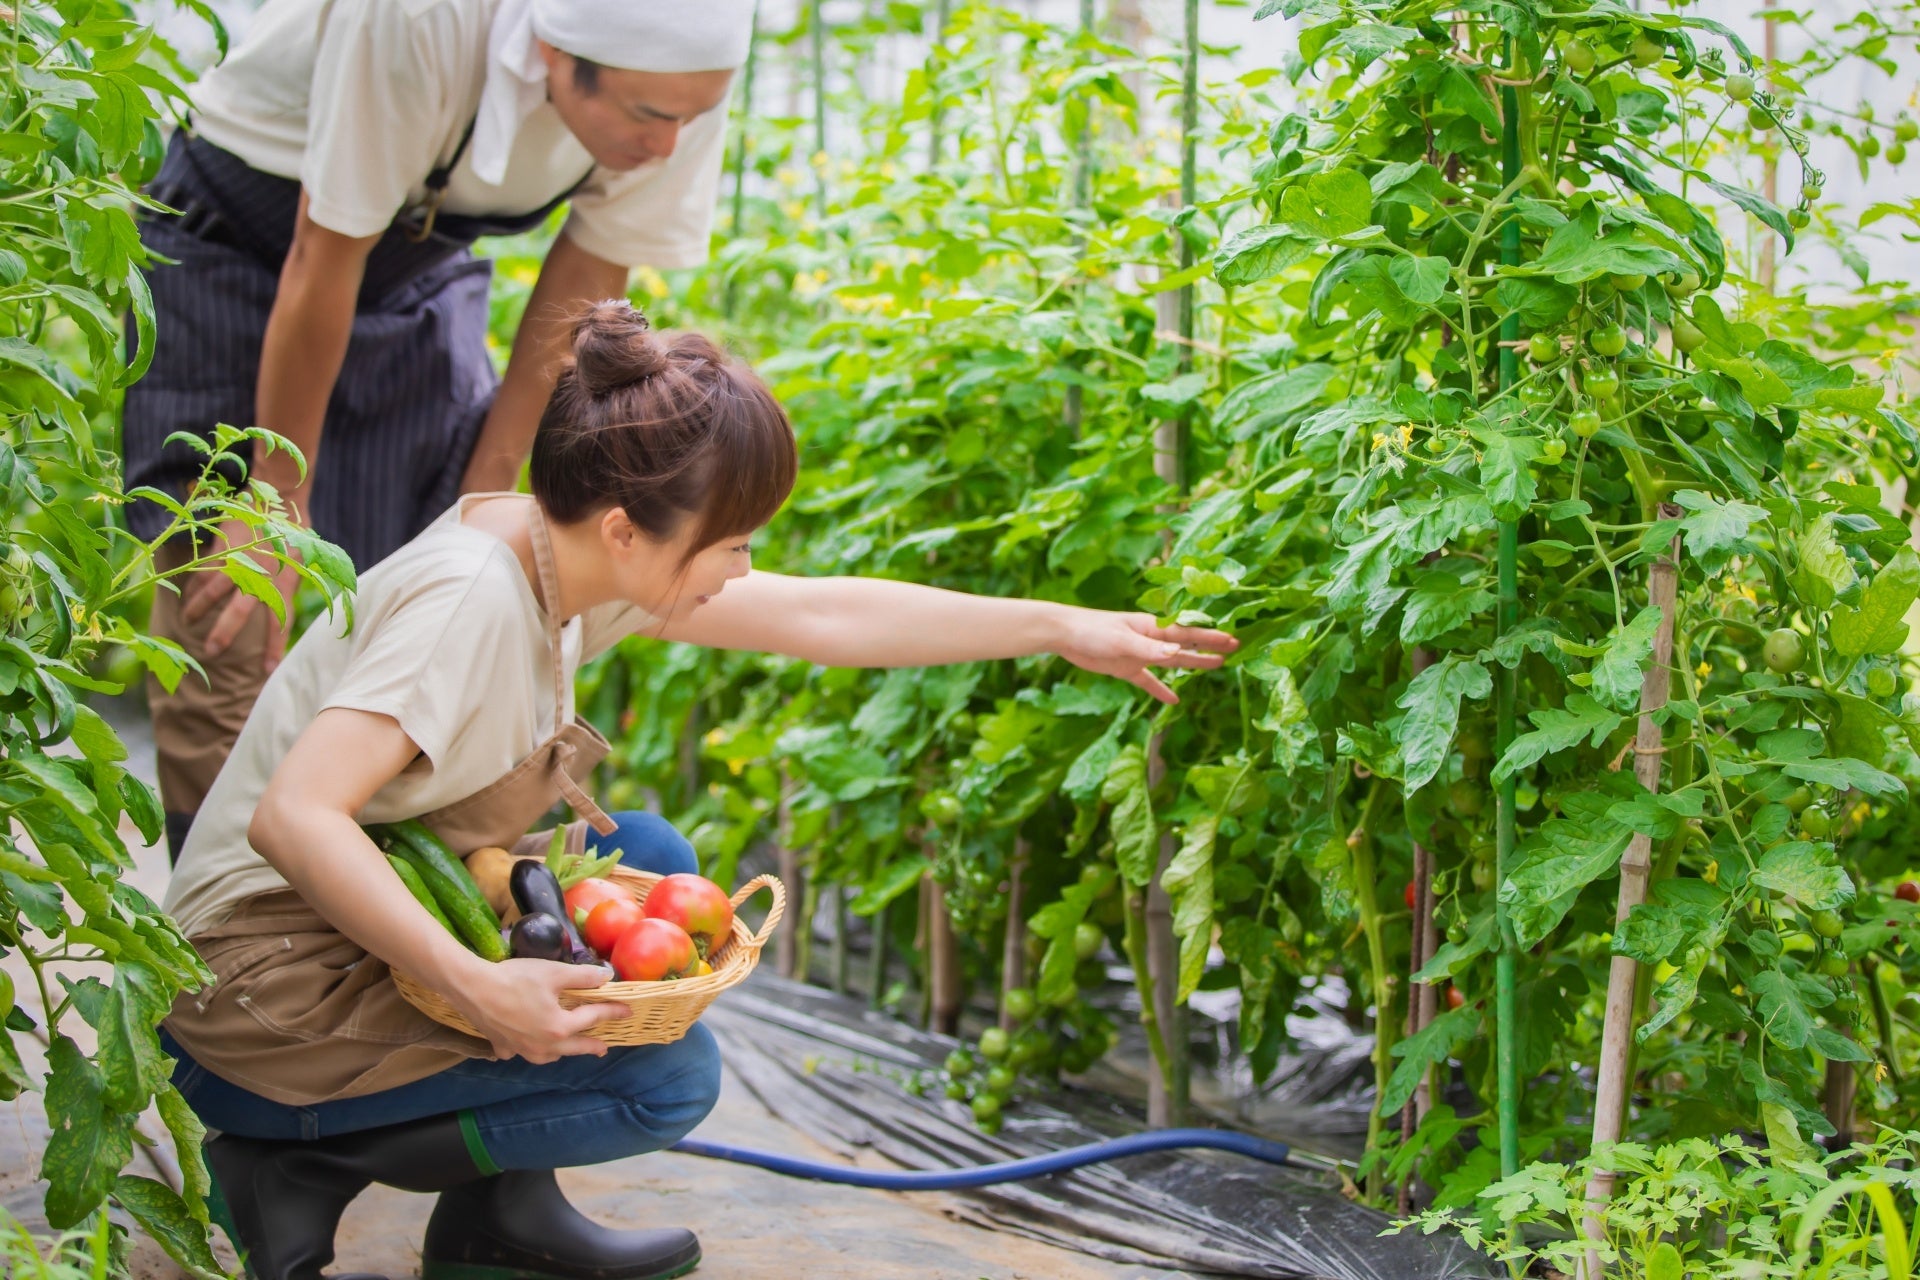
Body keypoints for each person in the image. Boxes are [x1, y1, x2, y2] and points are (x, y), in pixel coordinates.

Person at [156, 302, 1237, 1280]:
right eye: (728, 543)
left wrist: (1059, 629)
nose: (738, 567)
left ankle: (495, 1216)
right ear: (627, 526)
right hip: (252, 995)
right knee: (655, 1081)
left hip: (322, 931)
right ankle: (300, 1165)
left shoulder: (564, 552)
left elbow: (819, 617)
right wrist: (477, 987)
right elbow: (292, 814)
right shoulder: (473, 601)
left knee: (656, 859)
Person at [122, 0, 754, 862]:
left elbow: (591, 267)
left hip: (414, 264)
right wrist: (273, 500)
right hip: (240, 245)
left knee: (431, 573)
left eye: (693, 117)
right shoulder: (417, 17)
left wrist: (491, 488)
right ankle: (221, 932)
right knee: (232, 593)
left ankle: (365, 895)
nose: (670, 145)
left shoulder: (672, 90)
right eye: (649, 116)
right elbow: (323, 249)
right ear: (552, 55)